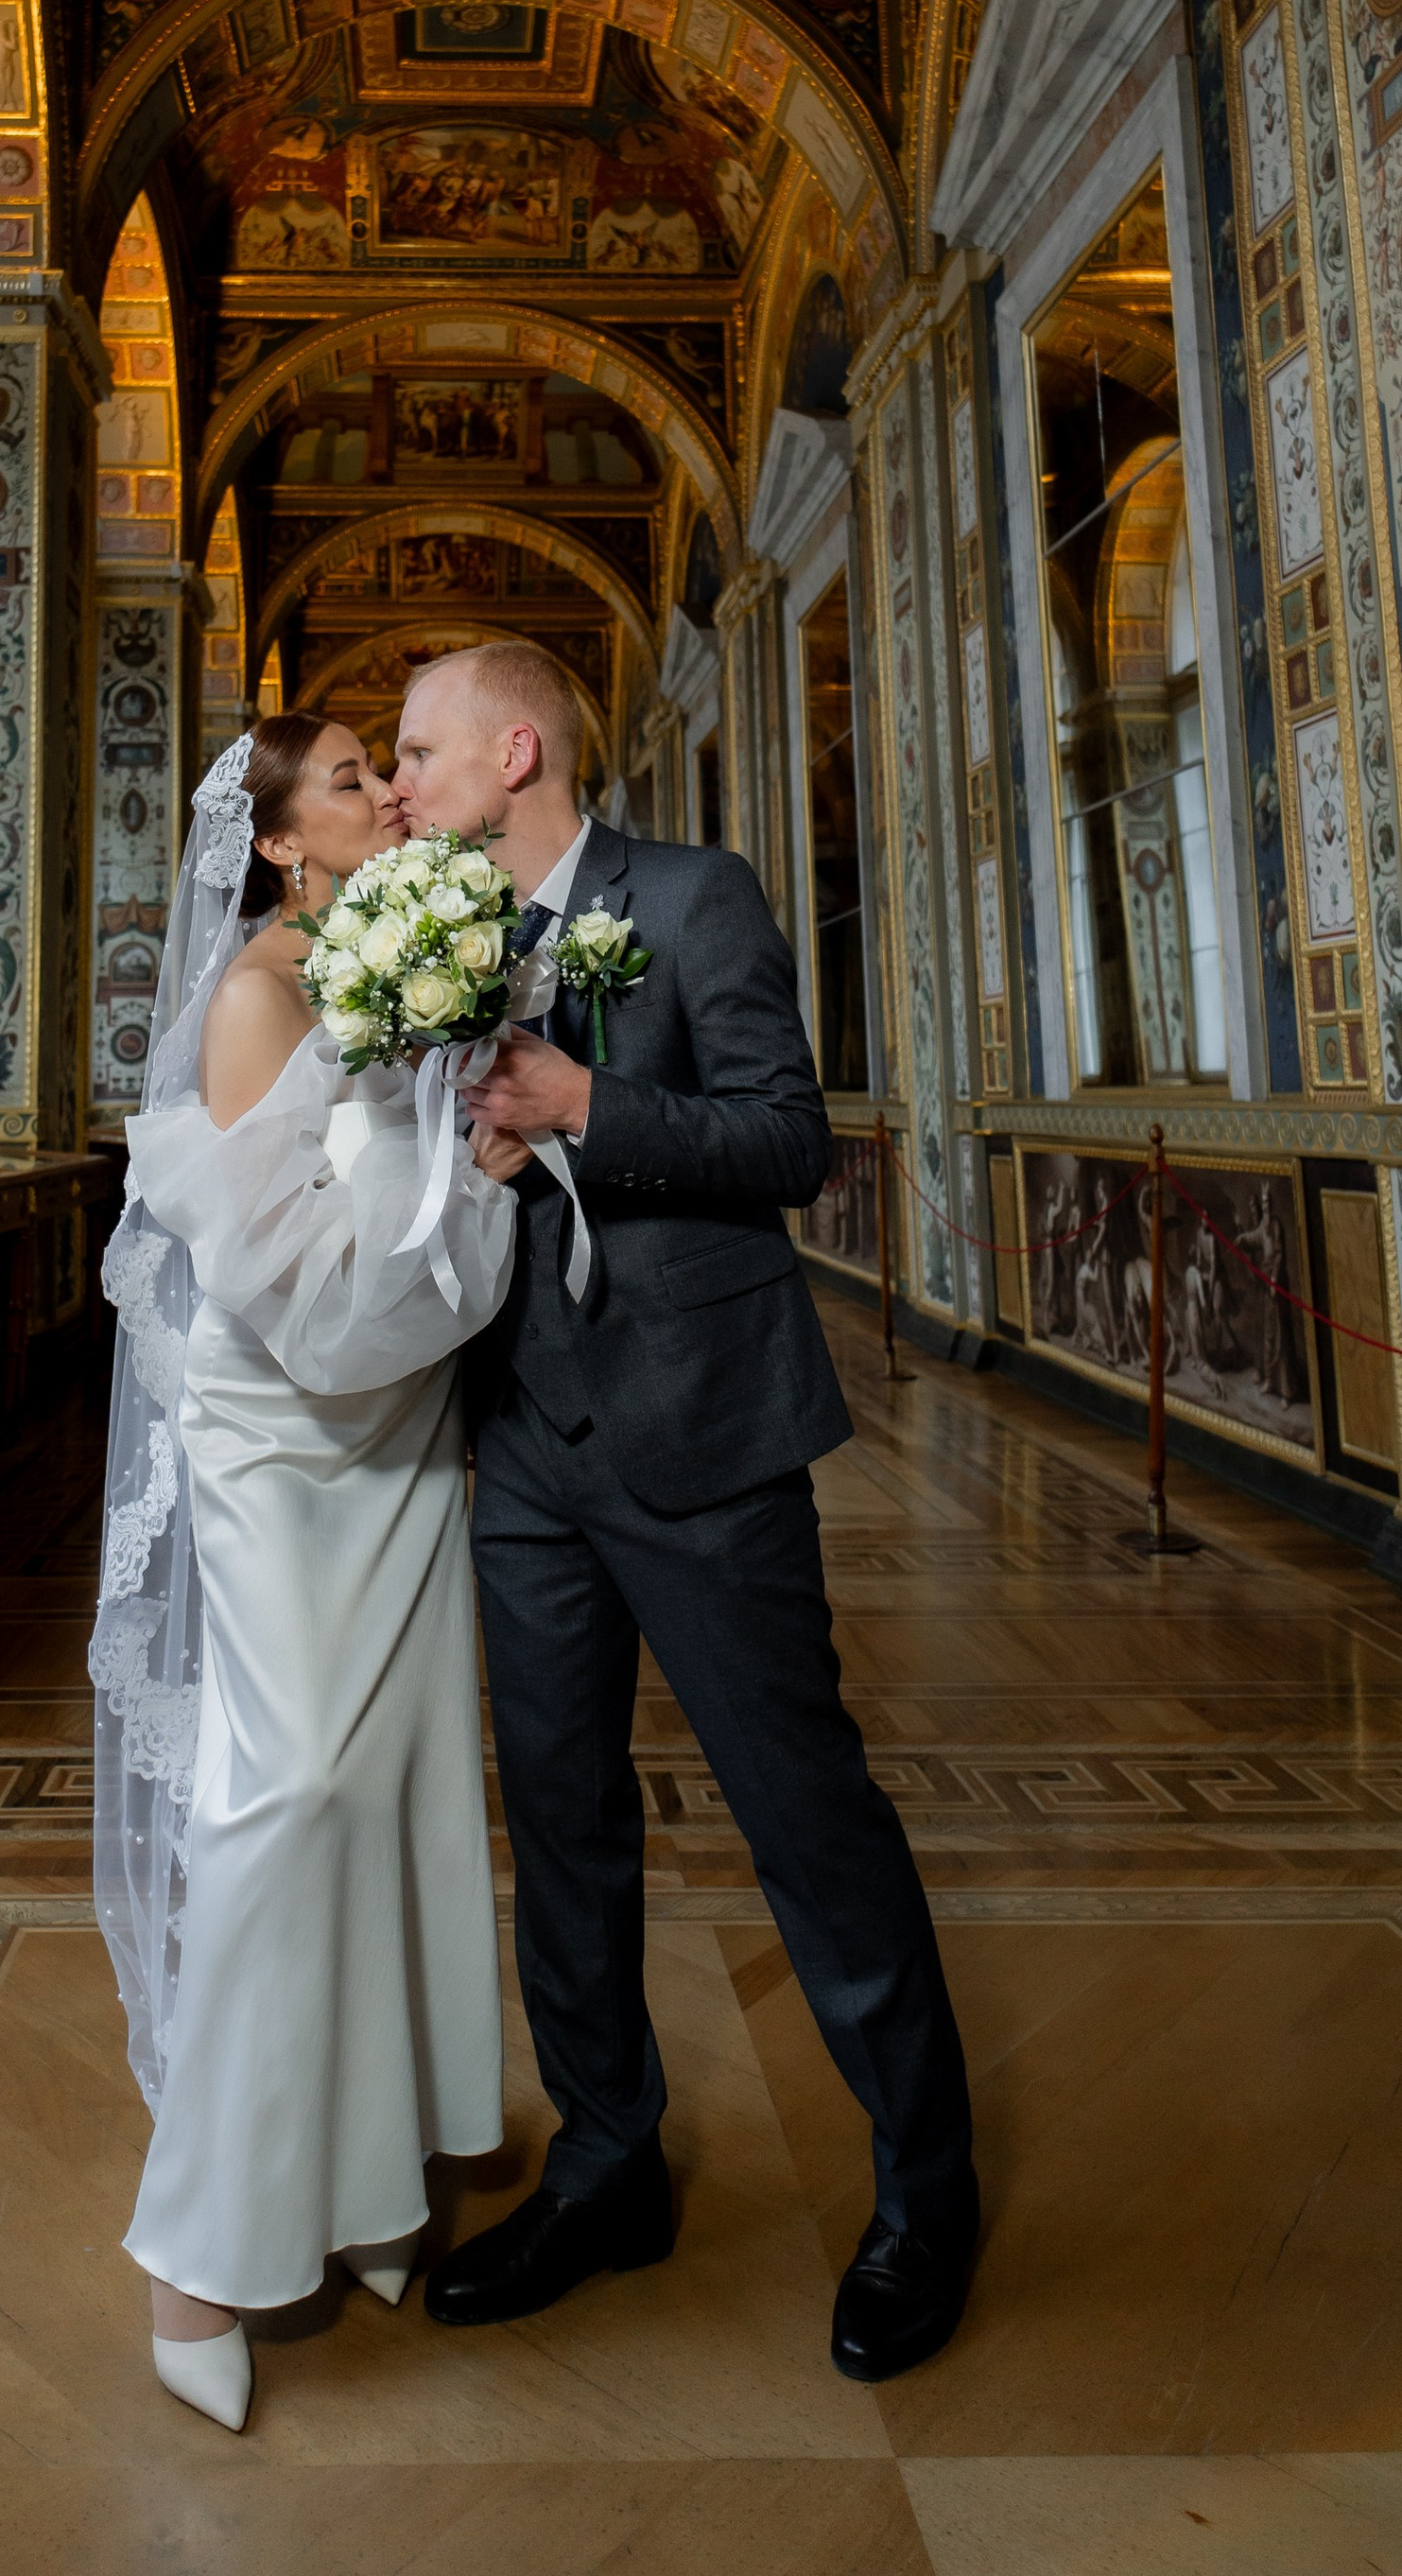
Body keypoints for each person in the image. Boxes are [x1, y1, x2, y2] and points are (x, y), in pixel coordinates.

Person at [390, 639, 977, 2383]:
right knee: (562, 1832)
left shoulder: (693, 894)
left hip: (706, 1439)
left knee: (808, 1820)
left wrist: (588, 1107)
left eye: (423, 751)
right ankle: (606, 2164)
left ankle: (927, 2196)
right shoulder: (439, 939)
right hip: (526, 1449)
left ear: (520, 749)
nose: (406, 783)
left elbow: (788, 1142)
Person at [93, 711, 527, 2434]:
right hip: (290, 1439)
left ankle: (363, 2184)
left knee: (406, 1788)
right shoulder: (262, 996)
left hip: (404, 1437)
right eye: (352, 778)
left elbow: (391, 1214)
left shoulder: (397, 966)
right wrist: (481, 1200)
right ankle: (194, 2251)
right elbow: (299, 1286)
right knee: (290, 1798)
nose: (388, 792)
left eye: (384, 767)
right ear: (280, 843)